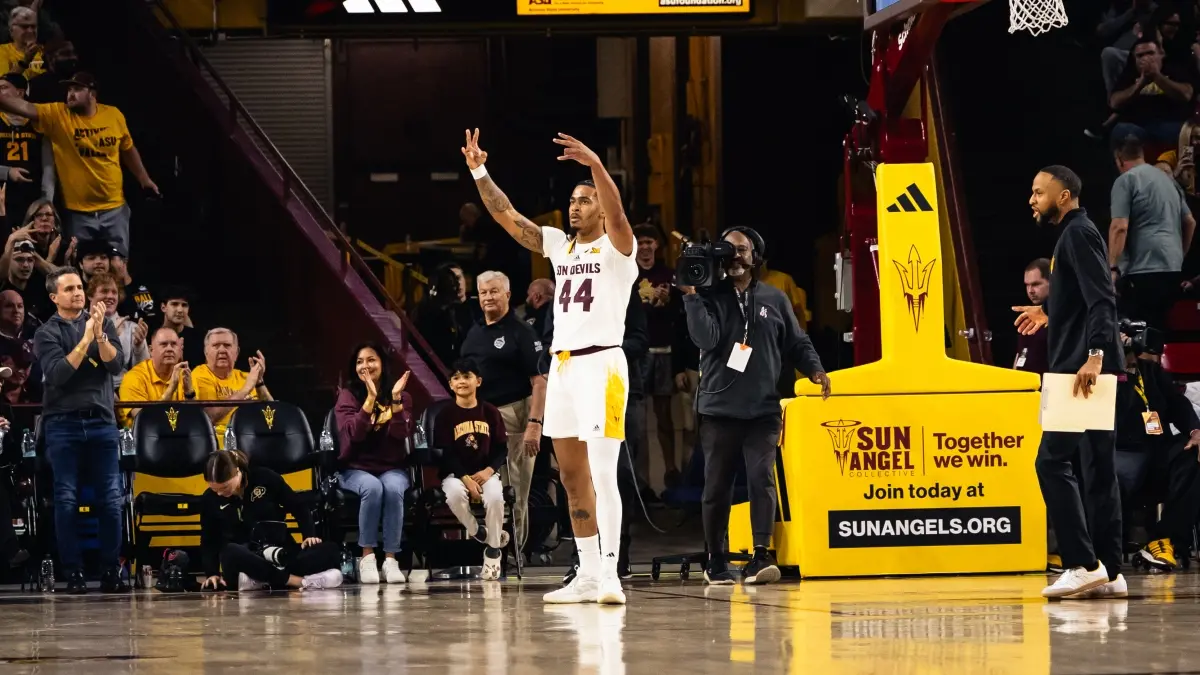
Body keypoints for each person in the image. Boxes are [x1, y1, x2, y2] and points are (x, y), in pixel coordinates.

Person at [462, 128, 637, 604]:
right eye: (573, 201)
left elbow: (618, 212)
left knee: (604, 475)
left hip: (603, 365)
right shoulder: (561, 245)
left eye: (585, 200)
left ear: (600, 205)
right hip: (562, 368)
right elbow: (508, 217)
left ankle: (609, 574)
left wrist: (596, 165)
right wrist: (479, 169)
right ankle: (584, 571)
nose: (576, 207)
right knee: (571, 476)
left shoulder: (620, 249)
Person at [680, 227, 830, 586]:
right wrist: (691, 297)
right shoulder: (710, 295)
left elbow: (797, 341)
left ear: (755, 256)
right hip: (719, 408)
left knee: (762, 480)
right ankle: (716, 558)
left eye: (742, 249)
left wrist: (815, 368)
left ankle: (761, 556)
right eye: (727, 249)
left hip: (763, 408)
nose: (735, 255)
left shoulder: (775, 299)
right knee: (717, 486)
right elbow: (705, 338)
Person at [1014, 165, 1126, 599]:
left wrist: (1095, 355)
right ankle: (1111, 570)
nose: (1032, 199)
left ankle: (1081, 562)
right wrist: (1050, 313)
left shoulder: (1077, 233)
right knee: (1098, 469)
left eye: (1039, 192)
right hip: (1091, 366)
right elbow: (1082, 299)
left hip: (1081, 371)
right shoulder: (1078, 234)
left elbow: (1102, 298)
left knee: (1050, 462)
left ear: (1063, 196)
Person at [32, 266, 127, 593]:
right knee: (67, 499)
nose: (77, 293)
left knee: (111, 500)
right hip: (63, 424)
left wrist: (99, 334)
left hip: (101, 423)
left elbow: (115, 365)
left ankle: (111, 570)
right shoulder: (47, 333)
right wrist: (86, 337)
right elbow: (58, 374)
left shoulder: (104, 324)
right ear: (54, 297)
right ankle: (72, 572)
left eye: (79, 288)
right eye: (69, 289)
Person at [0, 72, 158, 257]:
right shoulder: (57, 114)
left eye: (77, 89)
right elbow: (18, 105)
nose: (70, 94)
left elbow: (127, 148)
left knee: (118, 265)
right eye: (68, 90)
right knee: (80, 265)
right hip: (78, 214)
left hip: (115, 209)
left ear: (92, 93)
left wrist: (144, 178)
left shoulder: (113, 115)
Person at [460, 270, 546, 556]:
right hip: (478, 418)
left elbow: (540, 381)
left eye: (494, 291)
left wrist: (534, 423)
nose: (488, 297)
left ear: (508, 295)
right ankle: (487, 549)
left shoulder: (521, 332)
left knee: (514, 488)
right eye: (483, 292)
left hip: (513, 414)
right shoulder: (475, 331)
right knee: (482, 487)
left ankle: (512, 553)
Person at [199, 450, 343, 592]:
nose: (219, 493)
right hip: (246, 557)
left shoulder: (265, 478)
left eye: (224, 487)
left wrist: (309, 535)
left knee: (331, 550)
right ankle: (297, 581)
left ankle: (262, 581)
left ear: (237, 472)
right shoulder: (209, 499)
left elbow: (298, 506)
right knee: (229, 552)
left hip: (279, 552)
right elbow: (208, 540)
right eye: (214, 489)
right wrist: (212, 573)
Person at [1113, 343, 1200, 572]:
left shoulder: (1150, 370)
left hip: (1155, 449)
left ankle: (1166, 541)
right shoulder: (1097, 372)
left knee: (1192, 455)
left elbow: (1177, 403)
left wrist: (1195, 431)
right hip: (1116, 452)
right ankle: (1101, 549)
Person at [334, 342, 413, 585]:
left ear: (382, 364)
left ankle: (390, 559)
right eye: (360, 361)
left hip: (391, 467)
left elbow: (401, 434)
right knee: (373, 487)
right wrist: (369, 400)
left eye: (371, 360)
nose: (365, 366)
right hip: (355, 468)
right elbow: (355, 435)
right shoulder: (347, 396)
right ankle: (367, 557)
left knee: (392, 487)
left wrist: (397, 400)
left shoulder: (402, 396)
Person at [434, 359, 510, 581]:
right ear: (450, 384)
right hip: (455, 475)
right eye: (456, 377)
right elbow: (446, 454)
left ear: (478, 381)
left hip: (485, 472)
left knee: (496, 498)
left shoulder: (490, 412)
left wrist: (488, 471)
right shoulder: (444, 415)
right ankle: (479, 532)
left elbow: (502, 449)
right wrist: (466, 479)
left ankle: (493, 551)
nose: (461, 381)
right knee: (455, 494)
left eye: (466, 376)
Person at [86, 271, 148, 393]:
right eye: (104, 291)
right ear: (90, 295)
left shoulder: (132, 328)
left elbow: (142, 371)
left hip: (124, 391)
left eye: (114, 292)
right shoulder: (77, 324)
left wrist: (139, 347)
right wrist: (106, 334)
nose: (110, 296)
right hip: (89, 390)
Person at [1015, 259, 1051, 376]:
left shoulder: (1062, 316)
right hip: (1023, 387)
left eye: (1036, 284)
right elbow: (1020, 354)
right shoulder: (1027, 315)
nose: (1030, 290)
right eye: (1027, 285)